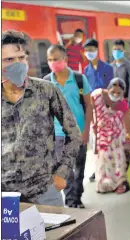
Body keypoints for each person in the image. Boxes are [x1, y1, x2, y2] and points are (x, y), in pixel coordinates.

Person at [1, 30, 82, 206]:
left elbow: (74, 133)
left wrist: (62, 172)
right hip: (6, 197)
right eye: (9, 60)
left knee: (53, 234)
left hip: (44, 191)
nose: (18, 64)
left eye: (21, 58)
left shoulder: (46, 91)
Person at [46, 44, 92, 208]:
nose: (53, 63)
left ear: (65, 59)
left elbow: (88, 105)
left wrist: (86, 131)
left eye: (56, 59)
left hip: (78, 133)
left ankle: (77, 196)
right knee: (65, 170)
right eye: (49, 60)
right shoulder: (46, 82)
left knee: (79, 168)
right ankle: (72, 201)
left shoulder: (79, 79)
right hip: (58, 135)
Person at [91, 78, 130, 194]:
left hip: (116, 138)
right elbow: (89, 109)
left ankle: (120, 184)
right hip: (101, 137)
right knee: (103, 163)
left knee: (118, 162)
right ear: (107, 89)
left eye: (119, 93)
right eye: (113, 92)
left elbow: (128, 123)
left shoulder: (122, 104)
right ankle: (104, 186)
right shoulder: (97, 96)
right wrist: (92, 124)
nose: (115, 95)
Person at [83, 38, 114, 183]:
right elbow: (85, 89)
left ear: (97, 50)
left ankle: (111, 168)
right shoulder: (86, 70)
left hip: (106, 108)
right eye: (87, 51)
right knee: (95, 141)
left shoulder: (107, 68)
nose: (89, 53)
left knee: (107, 140)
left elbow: (112, 89)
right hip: (93, 110)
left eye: (91, 50)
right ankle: (98, 170)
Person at [111, 39, 130, 129]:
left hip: (127, 101)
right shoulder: (111, 66)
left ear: (124, 51)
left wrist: (129, 105)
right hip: (116, 102)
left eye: (119, 50)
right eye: (115, 49)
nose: (116, 52)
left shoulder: (129, 66)